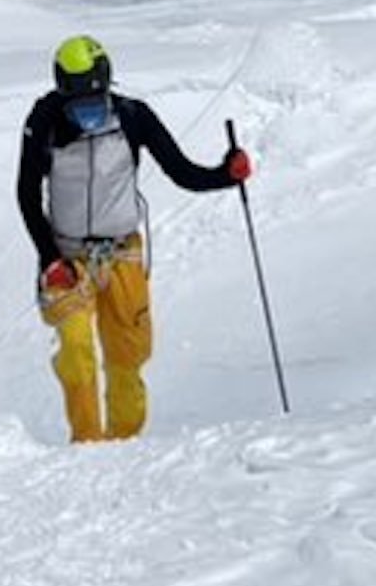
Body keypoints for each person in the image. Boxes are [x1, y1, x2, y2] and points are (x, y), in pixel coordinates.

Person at [15, 33, 252, 444]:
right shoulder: (44, 123)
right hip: (67, 258)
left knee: (127, 356)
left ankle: (124, 445)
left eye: (94, 101)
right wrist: (50, 258)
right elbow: (26, 192)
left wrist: (224, 175)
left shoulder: (132, 117)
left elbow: (182, 172)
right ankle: (87, 442)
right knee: (76, 350)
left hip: (122, 253)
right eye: (77, 105)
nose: (86, 113)